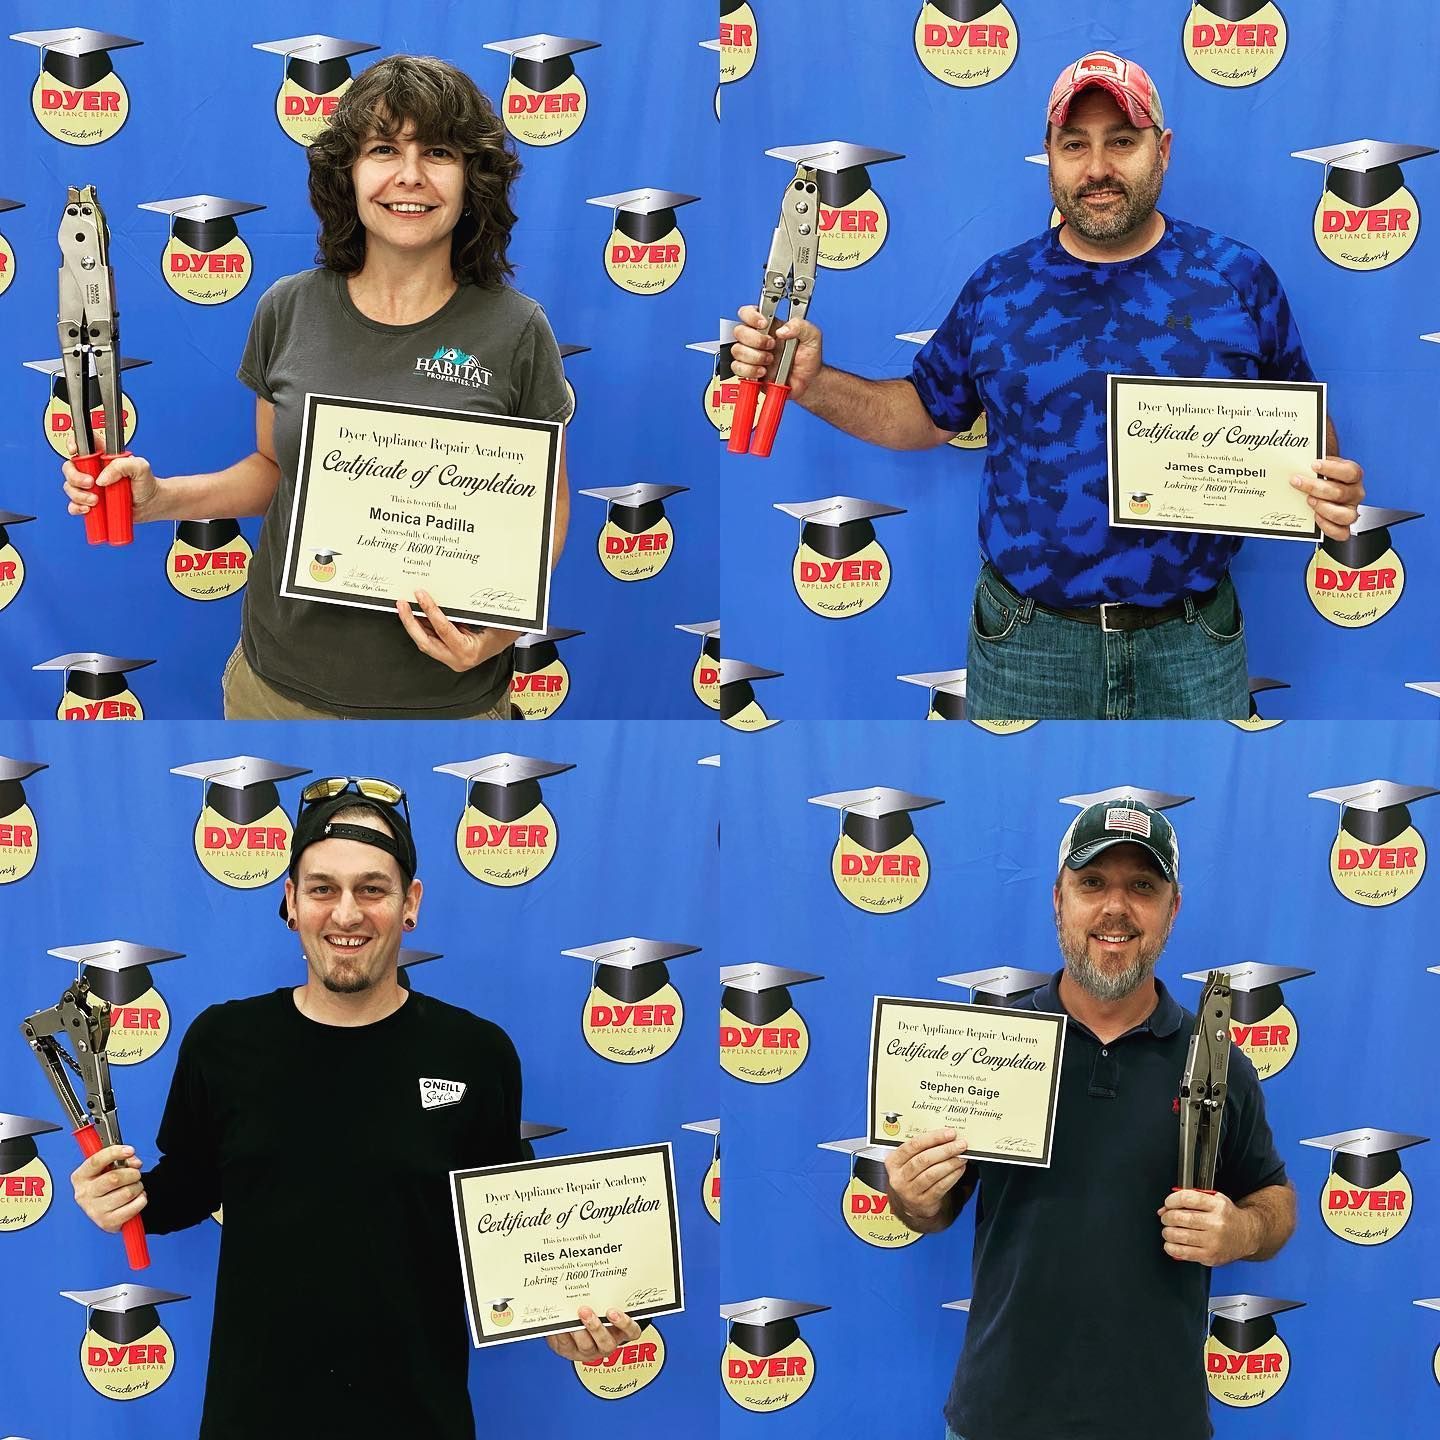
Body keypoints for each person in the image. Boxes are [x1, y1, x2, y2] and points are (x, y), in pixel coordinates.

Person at [731, 51, 1365, 721]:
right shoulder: (1001, 289)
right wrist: (812, 382)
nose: (1097, 168)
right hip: (1028, 642)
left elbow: (1303, 431)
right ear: (1050, 157)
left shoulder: (1238, 278)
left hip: (1194, 641)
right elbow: (921, 414)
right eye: (1075, 145)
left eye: (1122, 141)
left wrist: (1331, 486)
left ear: (1163, 149)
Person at [70, 778, 639, 1440]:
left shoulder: (476, 1053)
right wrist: (123, 1198)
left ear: (410, 904)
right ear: (291, 902)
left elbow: (516, 1232)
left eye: (372, 889)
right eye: (322, 889)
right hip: (255, 1419)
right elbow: (188, 1187)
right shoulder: (223, 1042)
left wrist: (570, 1318)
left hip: (417, 1419)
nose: (346, 914)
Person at [61, 55, 571, 719]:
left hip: (448, 704)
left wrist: (504, 626)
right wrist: (159, 499)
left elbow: (547, 503)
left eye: (438, 152)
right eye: (384, 149)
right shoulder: (289, 307)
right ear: (349, 174)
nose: (409, 176)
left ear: (472, 177)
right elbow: (275, 469)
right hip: (276, 690)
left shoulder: (516, 328)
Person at [883, 796, 1294, 1440]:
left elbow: (1275, 1201)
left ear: (1172, 908)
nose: (1114, 908)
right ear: (1058, 899)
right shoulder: (989, 1048)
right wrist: (911, 1194)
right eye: (1092, 883)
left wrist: (1241, 1231)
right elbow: (930, 1212)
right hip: (1000, 1419)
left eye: (1142, 887)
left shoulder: (1215, 1061)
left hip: (1159, 1421)